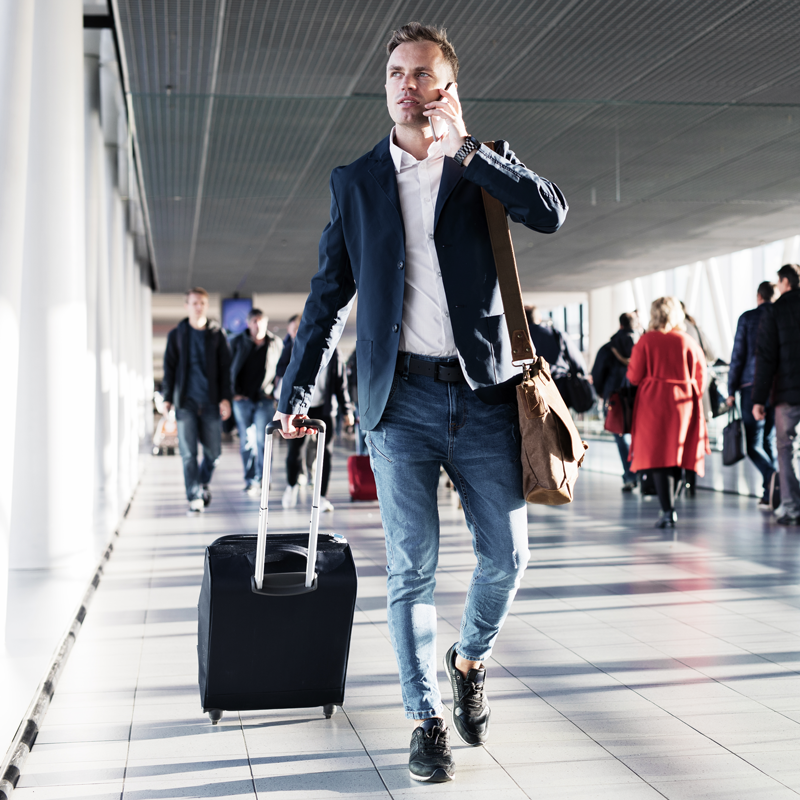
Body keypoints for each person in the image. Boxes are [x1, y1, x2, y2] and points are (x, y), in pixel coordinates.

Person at [274, 22, 567, 782]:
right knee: (411, 569)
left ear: (448, 87)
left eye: (424, 73)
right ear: (386, 85)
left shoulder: (481, 165)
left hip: (484, 397)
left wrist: (471, 149)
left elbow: (551, 213)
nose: (408, 84)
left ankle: (468, 659)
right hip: (398, 401)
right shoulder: (357, 180)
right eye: (397, 72)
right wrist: (299, 388)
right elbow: (326, 297)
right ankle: (424, 716)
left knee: (508, 557)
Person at [627, 297, 709, 528]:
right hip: (684, 403)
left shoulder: (646, 341)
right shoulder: (688, 341)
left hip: (653, 402)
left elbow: (633, 376)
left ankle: (667, 509)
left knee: (658, 455)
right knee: (677, 453)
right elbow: (701, 376)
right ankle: (670, 506)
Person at [162, 288, 232, 513]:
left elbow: (225, 369)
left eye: (202, 302)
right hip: (186, 403)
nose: (198, 306)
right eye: (194, 303)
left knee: (213, 454)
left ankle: (201, 482)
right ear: (187, 306)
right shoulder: (177, 334)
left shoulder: (216, 334)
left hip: (211, 402)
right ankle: (194, 495)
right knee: (189, 453)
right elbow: (169, 367)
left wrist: (225, 398)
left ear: (206, 305)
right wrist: (167, 398)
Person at [752, 264, 800, 526]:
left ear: (784, 282)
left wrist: (758, 399)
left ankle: (792, 507)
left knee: (786, 449)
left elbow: (766, 358)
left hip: (787, 394)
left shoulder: (775, 311)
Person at [281, 347, 353, 512]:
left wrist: (347, 410)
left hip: (325, 408)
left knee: (325, 453)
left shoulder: (334, 353)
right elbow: (287, 378)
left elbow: (340, 383)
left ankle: (321, 497)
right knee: (295, 450)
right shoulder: (299, 350)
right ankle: (292, 485)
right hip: (300, 408)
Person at [726, 281, 777, 509]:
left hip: (750, 387)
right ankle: (772, 491)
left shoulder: (747, 318)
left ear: (759, 296)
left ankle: (773, 478)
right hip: (776, 388)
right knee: (769, 441)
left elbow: (738, 355)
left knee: (753, 445)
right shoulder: (780, 315)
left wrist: (731, 389)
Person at [229, 308, 284, 494]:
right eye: (254, 321)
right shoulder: (236, 342)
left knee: (263, 440)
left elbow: (282, 370)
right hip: (242, 399)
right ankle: (251, 479)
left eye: (261, 321)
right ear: (248, 323)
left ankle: (264, 478)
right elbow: (227, 368)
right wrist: (232, 393)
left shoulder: (275, 343)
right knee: (246, 441)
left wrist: (276, 393)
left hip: (265, 399)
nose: (258, 325)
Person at [591, 312, 639, 491]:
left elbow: (597, 373)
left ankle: (630, 476)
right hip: (640, 397)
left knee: (621, 436)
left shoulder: (608, 348)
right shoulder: (642, 345)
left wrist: (602, 392)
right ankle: (643, 473)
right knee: (639, 435)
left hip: (615, 398)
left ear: (620, 325)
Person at [524, 305, 588, 408]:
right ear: (539, 318)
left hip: (531, 389)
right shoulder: (555, 333)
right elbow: (576, 361)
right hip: (558, 387)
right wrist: (583, 376)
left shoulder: (519, 339)